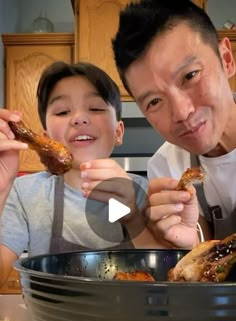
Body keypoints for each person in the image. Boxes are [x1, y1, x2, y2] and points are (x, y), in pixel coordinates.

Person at [0, 61, 162, 285]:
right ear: (45, 138)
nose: (78, 118)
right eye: (63, 111)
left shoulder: (145, 192)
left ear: (118, 132)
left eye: (95, 108)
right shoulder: (25, 193)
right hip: (48, 319)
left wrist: (133, 215)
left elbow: (165, 277)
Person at [112, 0, 236, 247]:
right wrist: (191, 241)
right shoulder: (166, 164)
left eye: (190, 76)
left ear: (226, 59)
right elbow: (200, 242)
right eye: (155, 101)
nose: (181, 112)